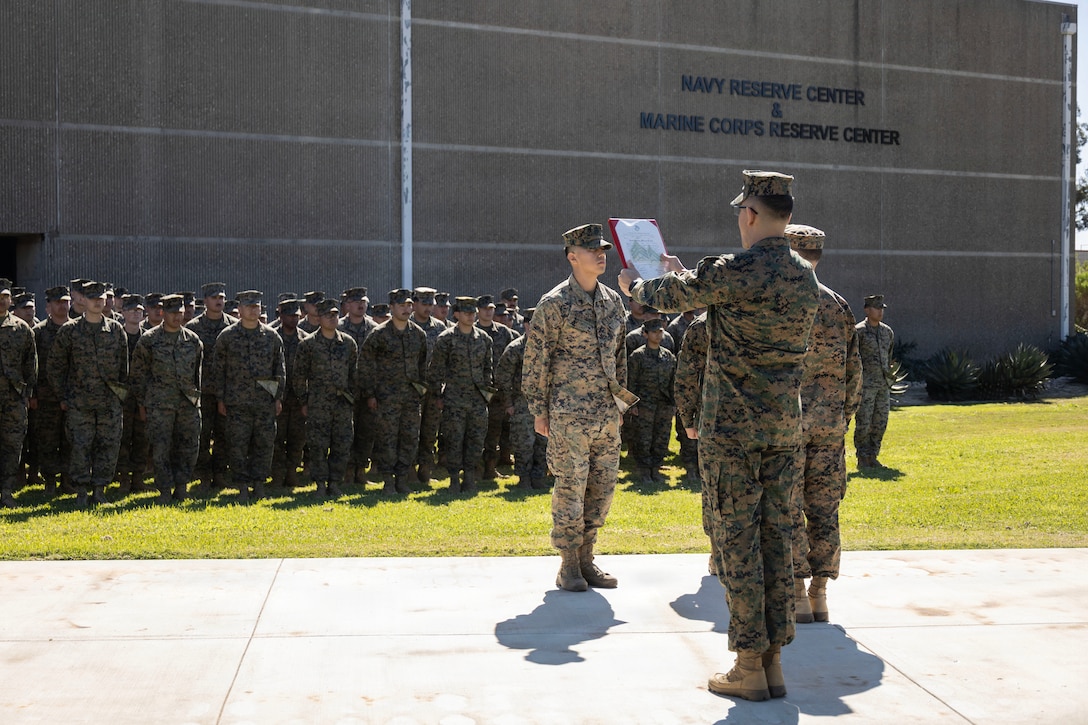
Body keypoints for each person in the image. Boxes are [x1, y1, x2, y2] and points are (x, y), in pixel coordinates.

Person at [619, 170, 819, 701]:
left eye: (739, 211)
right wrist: (692, 278)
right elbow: (718, 294)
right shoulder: (804, 275)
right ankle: (773, 661)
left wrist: (635, 285)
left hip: (732, 431)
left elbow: (663, 296)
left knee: (737, 543)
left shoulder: (733, 270)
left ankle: (748, 664)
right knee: (777, 538)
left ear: (749, 215)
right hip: (782, 427)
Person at [523, 223, 634, 592]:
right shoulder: (554, 304)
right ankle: (568, 565)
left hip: (606, 414)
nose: (600, 255)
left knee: (602, 489)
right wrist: (540, 410)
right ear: (572, 256)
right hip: (568, 414)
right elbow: (536, 359)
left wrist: (620, 402)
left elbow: (619, 357)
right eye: (591, 250)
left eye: (602, 249)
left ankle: (588, 560)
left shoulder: (613, 301)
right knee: (571, 488)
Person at [783, 224, 863, 625]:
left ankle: (797, 590)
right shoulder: (839, 306)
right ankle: (820, 593)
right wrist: (839, 420)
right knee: (825, 509)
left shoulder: (779, 302)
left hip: (787, 427)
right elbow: (854, 378)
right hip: (829, 431)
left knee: (790, 508)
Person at [48, 280, 130, 508]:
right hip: (79, 403)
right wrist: (64, 397)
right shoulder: (70, 331)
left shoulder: (116, 330)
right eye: (91, 298)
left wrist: (119, 396)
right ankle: (81, 491)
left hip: (108, 403)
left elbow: (124, 368)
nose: (96, 302)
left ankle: (100, 489)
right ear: (83, 301)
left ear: (105, 300)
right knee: (80, 446)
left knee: (108, 445)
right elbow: (55, 367)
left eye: (100, 298)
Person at [129, 294, 204, 504]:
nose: (177, 317)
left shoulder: (192, 340)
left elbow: (198, 374)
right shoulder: (149, 340)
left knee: (188, 446)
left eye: (180, 313)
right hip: (160, 405)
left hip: (187, 405)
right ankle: (164, 489)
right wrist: (143, 403)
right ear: (163, 313)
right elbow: (138, 375)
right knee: (161, 449)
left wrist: (196, 400)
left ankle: (181, 487)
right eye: (172, 313)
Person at [213, 290, 286, 502]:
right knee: (237, 444)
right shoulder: (227, 337)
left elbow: (279, 370)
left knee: (264, 444)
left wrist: (278, 397)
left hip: (264, 402)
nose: (254, 310)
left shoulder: (272, 337)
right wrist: (220, 398)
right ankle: (242, 486)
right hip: (236, 402)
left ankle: (259, 484)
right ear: (240, 310)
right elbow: (219, 370)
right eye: (249, 306)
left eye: (257, 306)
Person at [358, 288, 428, 495]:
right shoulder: (379, 335)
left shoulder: (418, 334)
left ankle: (402, 479)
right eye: (401, 305)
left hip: (410, 398)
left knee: (409, 438)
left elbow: (423, 365)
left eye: (408, 305)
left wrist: (420, 390)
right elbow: (365, 365)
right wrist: (370, 394)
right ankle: (388, 480)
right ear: (391, 307)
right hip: (386, 398)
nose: (406, 309)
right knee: (387, 439)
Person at [428, 296, 493, 493]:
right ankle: (455, 478)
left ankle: (470, 477)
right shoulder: (446, 339)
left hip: (477, 400)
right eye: (466, 313)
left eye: (473, 313)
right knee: (454, 440)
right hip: (454, 399)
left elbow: (487, 369)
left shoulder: (484, 339)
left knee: (476, 439)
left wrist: (486, 394)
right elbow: (436, 370)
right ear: (457, 314)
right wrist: (438, 396)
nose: (471, 316)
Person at [295, 298, 357, 498]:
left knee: (342, 444)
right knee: (318, 445)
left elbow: (354, 375)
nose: (332, 318)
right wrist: (304, 401)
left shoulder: (348, 344)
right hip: (318, 404)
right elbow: (299, 376)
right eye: (327, 315)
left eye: (335, 314)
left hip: (342, 404)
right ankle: (320, 484)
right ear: (318, 318)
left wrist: (351, 398)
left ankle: (335, 483)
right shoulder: (308, 345)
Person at [187, 282, 237, 493]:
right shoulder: (193, 328)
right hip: (203, 393)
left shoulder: (235, 327)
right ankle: (204, 476)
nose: (219, 301)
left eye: (222, 297)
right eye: (215, 297)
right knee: (202, 435)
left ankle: (220, 475)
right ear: (205, 301)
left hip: (228, 393)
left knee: (224, 436)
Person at [496, 307, 548, 489]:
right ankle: (524, 478)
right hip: (522, 403)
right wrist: (508, 403)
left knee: (544, 442)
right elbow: (503, 378)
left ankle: (539, 476)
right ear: (526, 325)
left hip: (545, 404)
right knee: (524, 443)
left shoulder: (550, 347)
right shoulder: (515, 349)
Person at [30, 285, 72, 497]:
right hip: (46, 398)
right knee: (47, 441)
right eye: (58, 302)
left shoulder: (76, 330)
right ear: (48, 306)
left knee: (70, 440)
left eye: (66, 301)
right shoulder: (38, 333)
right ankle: (50, 481)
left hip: (73, 396)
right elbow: (32, 366)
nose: (63, 306)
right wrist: (34, 394)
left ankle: (67, 480)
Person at [625, 318, 676, 485]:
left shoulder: (668, 356)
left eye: (660, 331)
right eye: (654, 332)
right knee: (644, 439)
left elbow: (672, 382)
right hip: (645, 405)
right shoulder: (638, 356)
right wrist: (632, 405)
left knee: (661, 438)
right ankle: (645, 472)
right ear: (645, 334)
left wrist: (673, 403)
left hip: (663, 405)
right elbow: (631, 382)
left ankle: (656, 469)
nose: (658, 335)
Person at [0, 279, 37, 508]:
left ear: (10, 300)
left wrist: (27, 394)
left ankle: (6, 492)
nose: (2, 300)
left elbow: (30, 363)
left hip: (13, 398)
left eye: (5, 296)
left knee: (12, 446)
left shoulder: (21, 329)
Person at [476, 294, 519, 480]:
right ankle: (475, 468)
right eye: (485, 309)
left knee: (494, 431)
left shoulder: (505, 333)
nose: (489, 311)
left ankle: (490, 468)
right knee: (476, 432)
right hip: (477, 391)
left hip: (498, 391)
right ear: (478, 310)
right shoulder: (473, 331)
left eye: (491, 308)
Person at [412, 287, 450, 484]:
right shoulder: (406, 326)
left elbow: (447, 360)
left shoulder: (440, 329)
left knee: (430, 432)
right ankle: (408, 471)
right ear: (415, 303)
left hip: (434, 389)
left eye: (430, 304)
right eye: (424, 304)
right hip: (411, 390)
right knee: (410, 432)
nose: (428, 308)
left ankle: (425, 471)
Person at [270, 299, 308, 491]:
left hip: (298, 398)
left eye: (297, 315)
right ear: (281, 316)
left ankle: (292, 472)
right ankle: (277, 475)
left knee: (297, 437)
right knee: (276, 437)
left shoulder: (305, 339)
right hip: (277, 397)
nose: (294, 319)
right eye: (290, 315)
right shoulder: (272, 337)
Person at [854, 294, 895, 468]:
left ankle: (873, 455)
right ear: (867, 310)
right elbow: (852, 358)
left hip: (883, 385)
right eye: (876, 308)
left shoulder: (887, 332)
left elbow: (889, 356)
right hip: (865, 386)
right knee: (864, 422)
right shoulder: (858, 332)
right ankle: (862, 457)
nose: (880, 312)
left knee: (880, 422)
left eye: (881, 309)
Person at [115, 294, 150, 495]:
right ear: (123, 313)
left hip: (142, 397)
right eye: (132, 310)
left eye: (139, 310)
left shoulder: (148, 338)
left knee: (142, 439)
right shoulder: (116, 336)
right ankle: (123, 480)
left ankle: (138, 479)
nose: (136, 314)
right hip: (121, 397)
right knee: (122, 438)